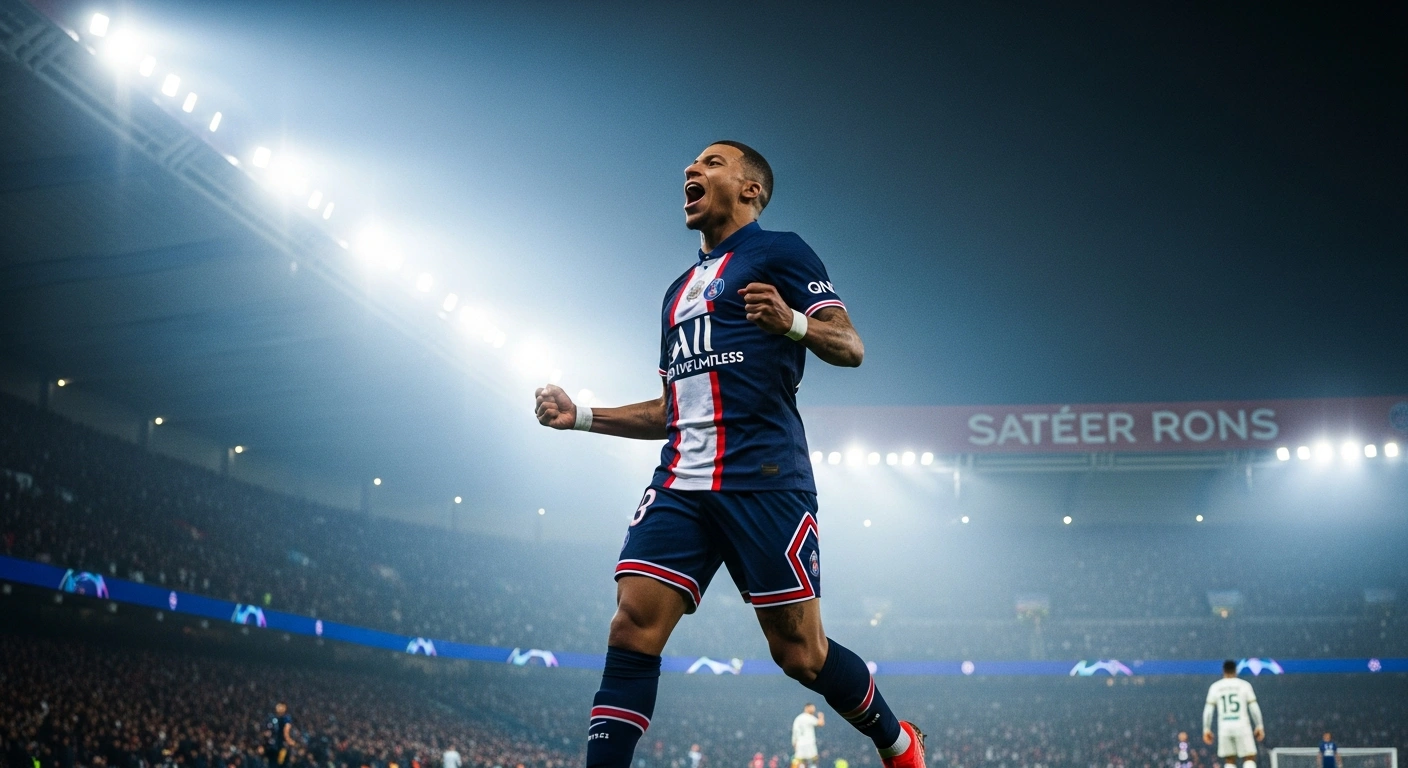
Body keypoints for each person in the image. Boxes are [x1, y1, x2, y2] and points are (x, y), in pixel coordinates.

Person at [535, 141, 924, 768]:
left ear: (751, 191)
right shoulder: (675, 292)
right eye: (691, 165)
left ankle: (898, 740)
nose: (692, 170)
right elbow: (672, 409)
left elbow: (849, 345)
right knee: (632, 626)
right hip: (681, 481)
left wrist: (793, 322)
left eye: (712, 163)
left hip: (763, 476)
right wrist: (580, 415)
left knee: (801, 654)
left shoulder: (782, 252)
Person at [1202, 660, 1264, 768]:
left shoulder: (1215, 687)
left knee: (1229, 759)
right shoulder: (1244, 685)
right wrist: (1259, 725)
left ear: (1223, 671)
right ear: (1236, 670)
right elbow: (1253, 707)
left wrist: (1206, 729)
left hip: (1224, 727)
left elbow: (1208, 711)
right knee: (1249, 757)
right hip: (1242, 725)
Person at [792, 703, 825, 768]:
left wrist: (794, 744)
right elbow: (820, 723)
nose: (814, 710)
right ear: (807, 708)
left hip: (799, 744)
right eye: (812, 708)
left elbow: (795, 733)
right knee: (812, 762)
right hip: (809, 744)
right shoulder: (808, 717)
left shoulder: (798, 718)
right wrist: (821, 716)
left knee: (800, 762)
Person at [266, 703, 296, 768]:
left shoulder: (273, 718)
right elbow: (286, 731)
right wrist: (289, 741)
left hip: (274, 745)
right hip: (280, 745)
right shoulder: (285, 718)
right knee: (280, 763)